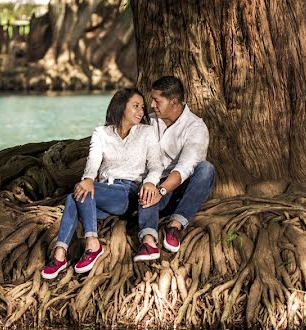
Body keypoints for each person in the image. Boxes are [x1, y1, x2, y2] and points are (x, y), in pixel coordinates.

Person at [42, 88, 162, 280]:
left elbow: (156, 166)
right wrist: (88, 178)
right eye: (135, 106)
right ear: (121, 107)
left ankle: (87, 246)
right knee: (75, 196)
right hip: (105, 192)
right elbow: (93, 163)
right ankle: (62, 253)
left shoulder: (147, 133)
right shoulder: (101, 133)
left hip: (129, 192)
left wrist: (149, 183)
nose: (141, 111)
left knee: (78, 194)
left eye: (142, 107)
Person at [135, 75, 214, 262]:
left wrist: (161, 191)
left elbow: (184, 168)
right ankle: (148, 241)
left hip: (178, 190)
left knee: (206, 169)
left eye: (157, 100)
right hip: (152, 183)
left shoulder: (195, 127)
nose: (152, 105)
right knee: (148, 184)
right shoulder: (150, 121)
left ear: (174, 102)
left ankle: (175, 226)